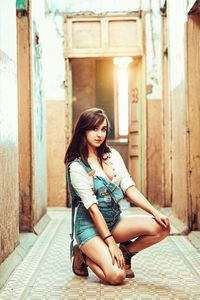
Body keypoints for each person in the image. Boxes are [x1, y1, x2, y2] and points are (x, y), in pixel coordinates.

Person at [64, 107, 170, 285]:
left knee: (162, 227)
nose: (99, 134)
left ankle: (126, 252)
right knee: (117, 276)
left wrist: (155, 212)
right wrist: (111, 243)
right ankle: (83, 255)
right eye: (94, 129)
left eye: (103, 129)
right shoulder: (77, 166)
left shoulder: (113, 155)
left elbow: (129, 188)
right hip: (89, 228)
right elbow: (93, 210)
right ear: (83, 131)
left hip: (114, 221)